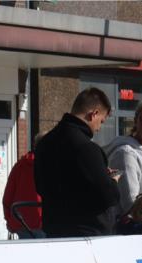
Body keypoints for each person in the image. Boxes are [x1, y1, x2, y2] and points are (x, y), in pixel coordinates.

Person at [34, 87, 121, 237]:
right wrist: (113, 181)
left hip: (54, 229)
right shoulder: (86, 147)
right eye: (101, 121)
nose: (99, 128)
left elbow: (40, 186)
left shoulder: (45, 142)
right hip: (86, 233)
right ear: (93, 114)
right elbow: (107, 195)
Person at [2, 132, 46, 238]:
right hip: (43, 224)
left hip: (22, 224)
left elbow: (7, 197)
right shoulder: (51, 166)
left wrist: (10, 221)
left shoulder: (20, 166)